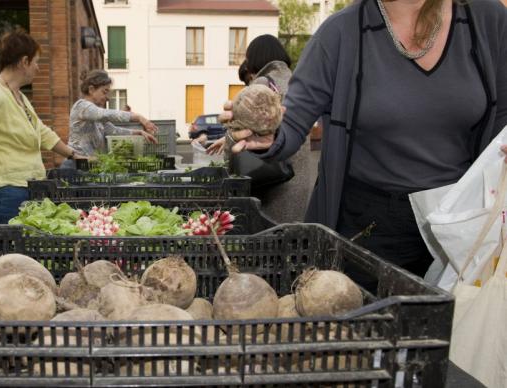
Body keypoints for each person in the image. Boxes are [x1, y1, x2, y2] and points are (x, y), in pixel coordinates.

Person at [223, 0, 507, 284]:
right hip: (368, 229)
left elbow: (502, 113)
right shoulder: (340, 32)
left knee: (457, 324)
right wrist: (268, 134)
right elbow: (294, 121)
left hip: (462, 222)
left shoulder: (487, 20)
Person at [0, 29, 81, 224]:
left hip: (28, 190)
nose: (38, 68)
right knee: (10, 253)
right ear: (24, 62)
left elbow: (41, 132)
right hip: (6, 195)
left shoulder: (18, 95)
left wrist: (74, 155)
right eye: (36, 62)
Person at [208, 34, 298, 196]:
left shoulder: (262, 84)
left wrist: (229, 139)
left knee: (267, 221)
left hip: (271, 184)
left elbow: (241, 131)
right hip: (297, 178)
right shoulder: (295, 80)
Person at [63, 70, 157, 168]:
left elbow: (113, 130)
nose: (107, 98)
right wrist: (138, 117)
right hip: (74, 165)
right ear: (91, 90)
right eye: (105, 92)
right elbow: (104, 114)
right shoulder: (82, 106)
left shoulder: (95, 115)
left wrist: (139, 132)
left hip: (89, 166)